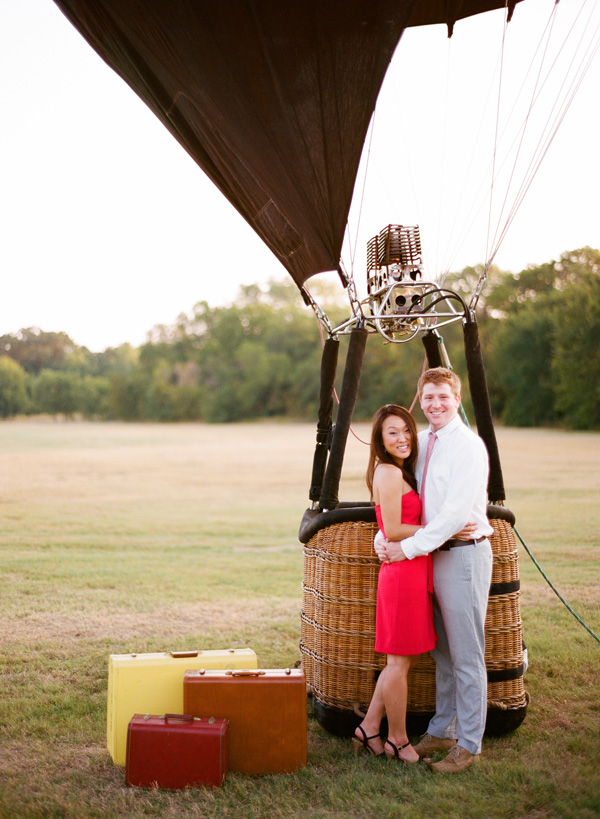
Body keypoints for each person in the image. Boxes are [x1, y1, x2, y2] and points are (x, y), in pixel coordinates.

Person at [374, 367, 493, 774]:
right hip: (430, 558)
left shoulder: (469, 447)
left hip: (462, 555)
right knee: (443, 654)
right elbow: (403, 501)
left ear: (457, 399)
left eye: (443, 396)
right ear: (419, 401)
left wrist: (402, 548)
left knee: (466, 655)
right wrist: (383, 539)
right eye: (428, 398)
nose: (435, 404)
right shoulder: (422, 442)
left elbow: (453, 517)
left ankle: (470, 742)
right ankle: (442, 728)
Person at [352, 404, 433, 763]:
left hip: (412, 573)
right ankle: (397, 740)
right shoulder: (386, 472)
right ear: (381, 441)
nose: (402, 439)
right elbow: (395, 529)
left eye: (406, 431)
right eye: (392, 433)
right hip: (401, 577)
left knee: (403, 661)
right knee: (398, 663)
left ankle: (369, 726)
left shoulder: (400, 471)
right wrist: (441, 530)